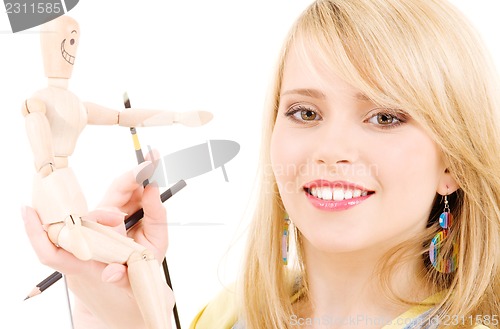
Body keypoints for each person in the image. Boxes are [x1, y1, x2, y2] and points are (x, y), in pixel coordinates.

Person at [22, 0, 500, 328]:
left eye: (384, 117)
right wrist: (110, 312)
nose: (330, 150)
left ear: (452, 161)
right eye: (305, 112)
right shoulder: (228, 315)